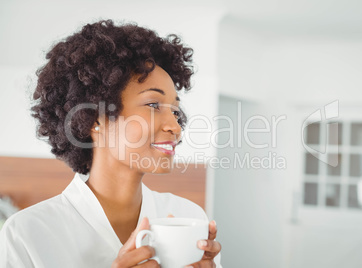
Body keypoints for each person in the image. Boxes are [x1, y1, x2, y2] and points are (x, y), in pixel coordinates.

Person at [0, 19, 222, 267]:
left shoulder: (188, 217)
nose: (176, 127)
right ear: (94, 117)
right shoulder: (27, 234)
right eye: (153, 105)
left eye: (175, 111)